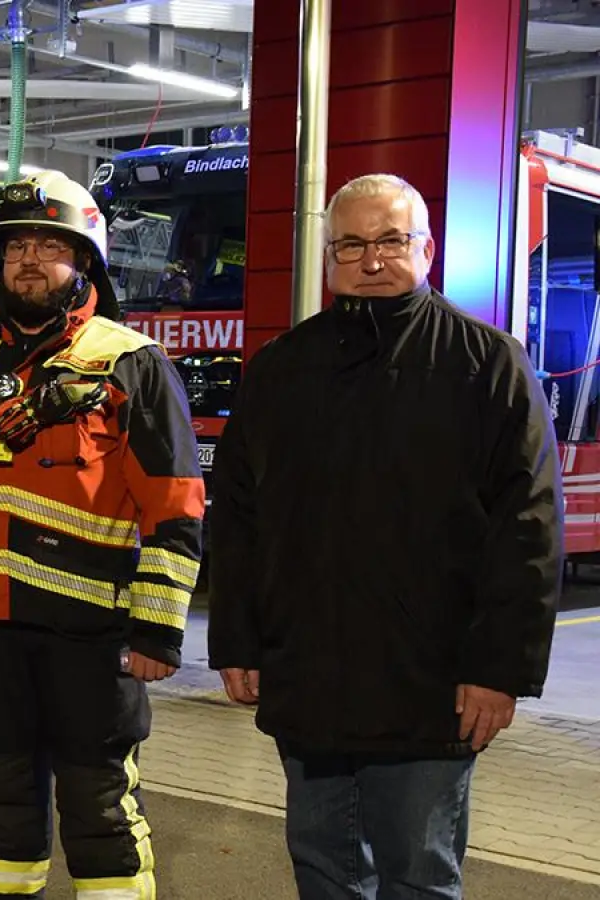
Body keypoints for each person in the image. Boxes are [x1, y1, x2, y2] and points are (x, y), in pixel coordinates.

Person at [207, 173, 562, 900]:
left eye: (391, 241)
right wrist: (237, 642)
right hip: (309, 677)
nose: (372, 260)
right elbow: (239, 519)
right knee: (323, 868)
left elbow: (528, 532)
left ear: (425, 247)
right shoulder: (280, 371)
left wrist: (501, 669)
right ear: (330, 255)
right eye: (352, 245)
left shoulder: (488, 367)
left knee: (419, 876)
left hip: (431, 688)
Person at [0, 170, 205, 900]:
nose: (30, 262)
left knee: (100, 811)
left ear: (85, 263)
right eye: (16, 249)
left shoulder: (129, 362)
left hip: (94, 639)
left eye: (50, 246)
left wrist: (157, 632)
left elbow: (176, 506)